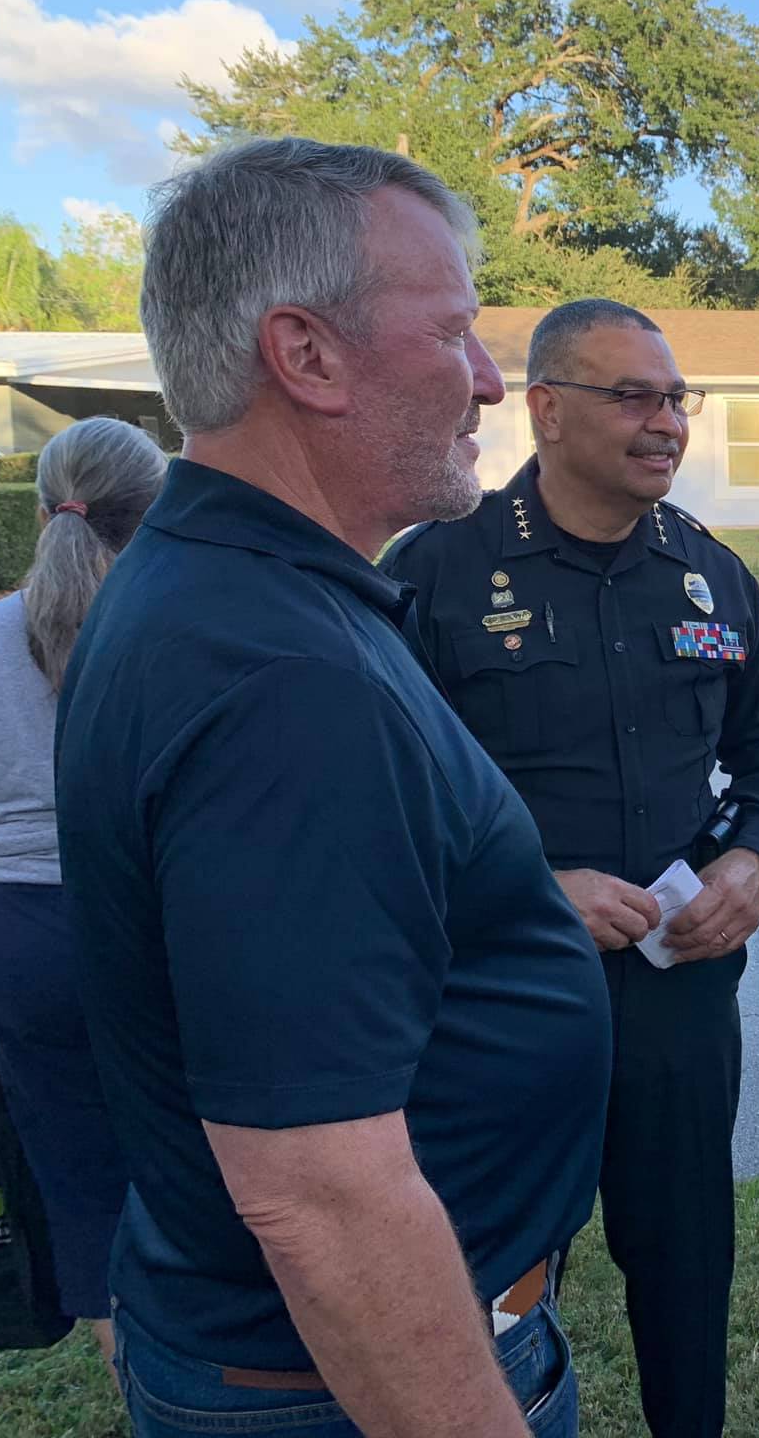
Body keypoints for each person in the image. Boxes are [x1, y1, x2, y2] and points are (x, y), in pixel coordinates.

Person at [57, 138, 611, 1438]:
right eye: (458, 334)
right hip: (340, 1390)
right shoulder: (277, 671)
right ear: (305, 356)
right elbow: (321, 1193)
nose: (488, 382)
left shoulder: (225, 587)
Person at [381, 298, 759, 1438]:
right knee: (496, 1278)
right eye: (633, 396)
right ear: (549, 409)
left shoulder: (710, 574)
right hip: (502, 1004)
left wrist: (757, 861)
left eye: (675, 398)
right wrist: (527, 895)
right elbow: (378, 797)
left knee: (684, 1262)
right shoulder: (438, 570)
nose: (665, 421)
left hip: (677, 991)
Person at [0, 417, 164, 1369]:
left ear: (40, 514)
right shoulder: (179, 632)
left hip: (26, 938)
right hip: (161, 923)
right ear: (155, 517)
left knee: (81, 1181)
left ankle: (144, 1393)